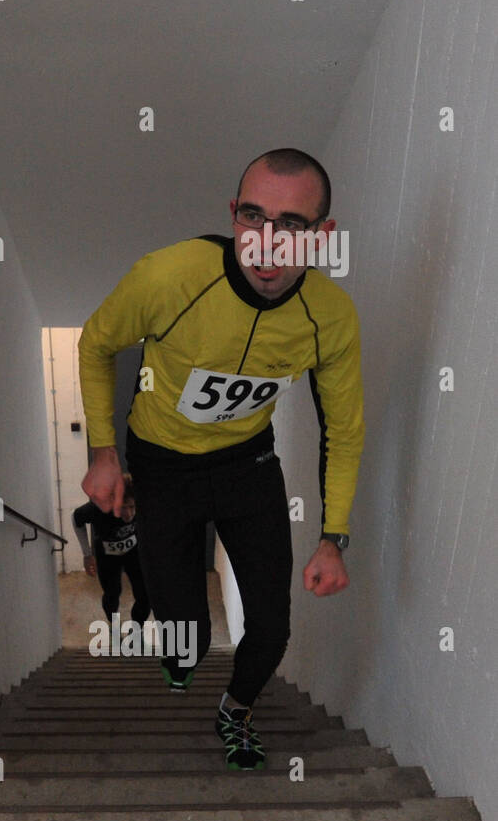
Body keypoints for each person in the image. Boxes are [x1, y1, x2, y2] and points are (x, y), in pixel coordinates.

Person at [77, 148, 364, 770]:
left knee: (271, 625)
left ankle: (236, 709)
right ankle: (180, 659)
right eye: (254, 217)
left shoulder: (330, 319)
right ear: (233, 214)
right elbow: (97, 342)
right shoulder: (168, 276)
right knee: (189, 634)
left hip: (247, 467)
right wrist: (103, 451)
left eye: (291, 226)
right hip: (160, 467)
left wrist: (333, 536)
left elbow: (343, 429)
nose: (267, 244)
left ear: (322, 238)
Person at [71, 473, 149, 625]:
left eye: (132, 507)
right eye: (122, 508)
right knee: (111, 594)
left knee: (145, 594)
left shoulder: (143, 500)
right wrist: (87, 554)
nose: (128, 514)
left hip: (133, 552)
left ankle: (137, 628)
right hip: (107, 556)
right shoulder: (99, 507)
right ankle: (113, 623)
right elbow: (76, 518)